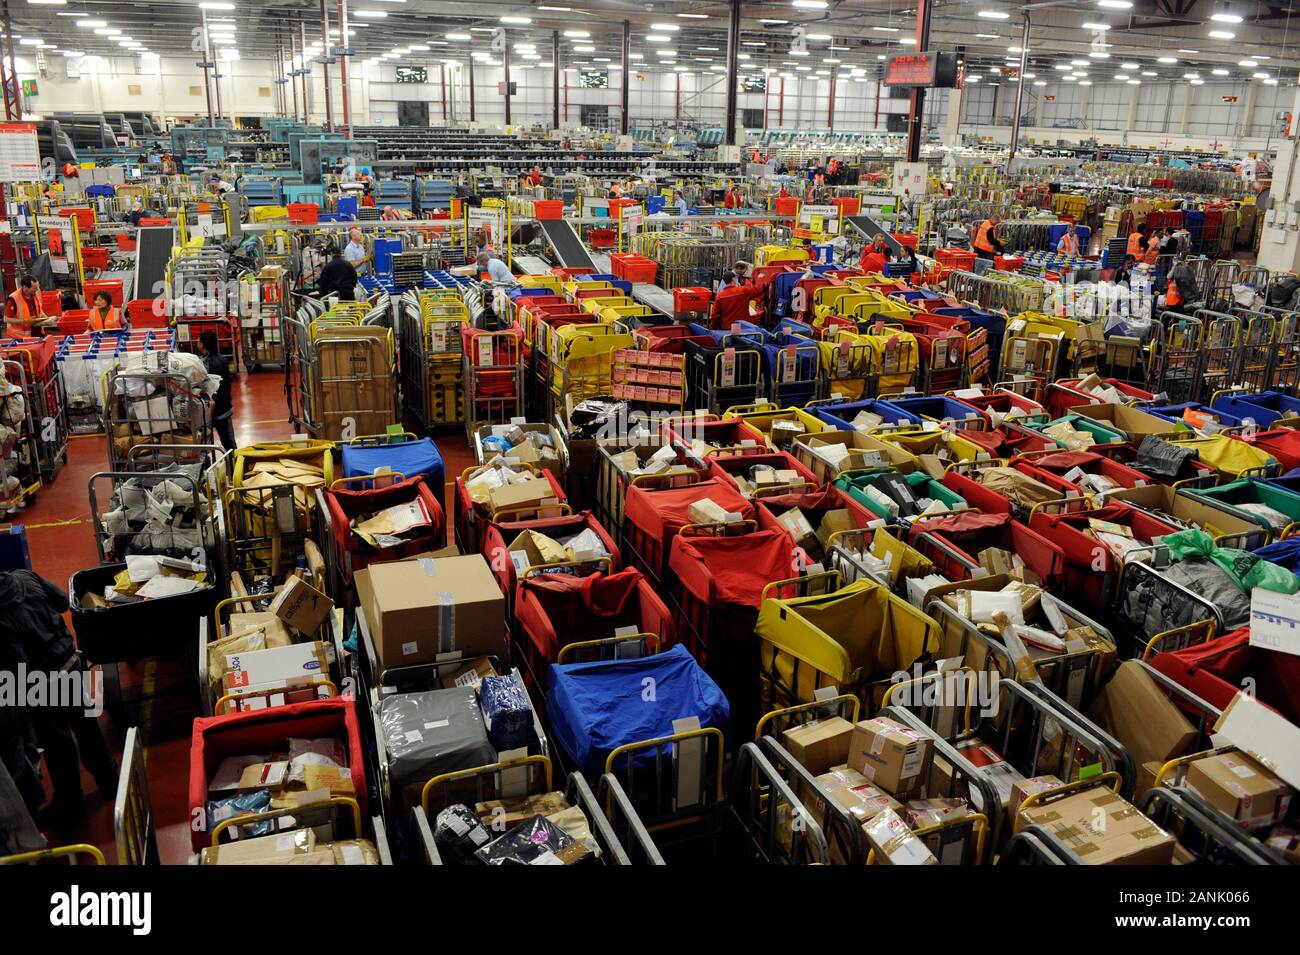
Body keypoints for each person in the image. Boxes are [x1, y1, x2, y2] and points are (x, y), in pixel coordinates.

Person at [0, 569, 117, 821]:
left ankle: (71, 802)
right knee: (87, 726)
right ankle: (110, 781)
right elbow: (63, 600)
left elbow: (16, 663)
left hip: (41, 683)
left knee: (57, 744)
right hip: (68, 661)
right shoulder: (25, 577)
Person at [197, 331, 236, 451]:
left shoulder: (206, 364)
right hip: (225, 406)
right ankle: (235, 463)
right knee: (229, 442)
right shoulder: (223, 359)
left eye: (198, 341)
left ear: (202, 345)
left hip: (215, 410)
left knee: (211, 445)